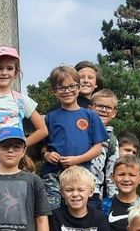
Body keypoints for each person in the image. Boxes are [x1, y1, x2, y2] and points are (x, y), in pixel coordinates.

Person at [38, 65, 108, 211]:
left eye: (71, 86)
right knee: (53, 210)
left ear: (78, 87)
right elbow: (44, 145)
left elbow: (97, 148)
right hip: (53, 172)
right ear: (54, 92)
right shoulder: (50, 117)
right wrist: (47, 154)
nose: (67, 91)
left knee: (79, 209)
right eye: (61, 88)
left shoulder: (90, 115)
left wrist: (77, 160)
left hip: (81, 172)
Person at [89, 88, 119, 202]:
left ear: (114, 113)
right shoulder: (79, 131)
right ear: (90, 107)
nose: (103, 110)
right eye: (99, 106)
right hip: (71, 189)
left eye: (108, 108)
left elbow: (111, 174)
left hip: (95, 192)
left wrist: (113, 202)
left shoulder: (111, 140)